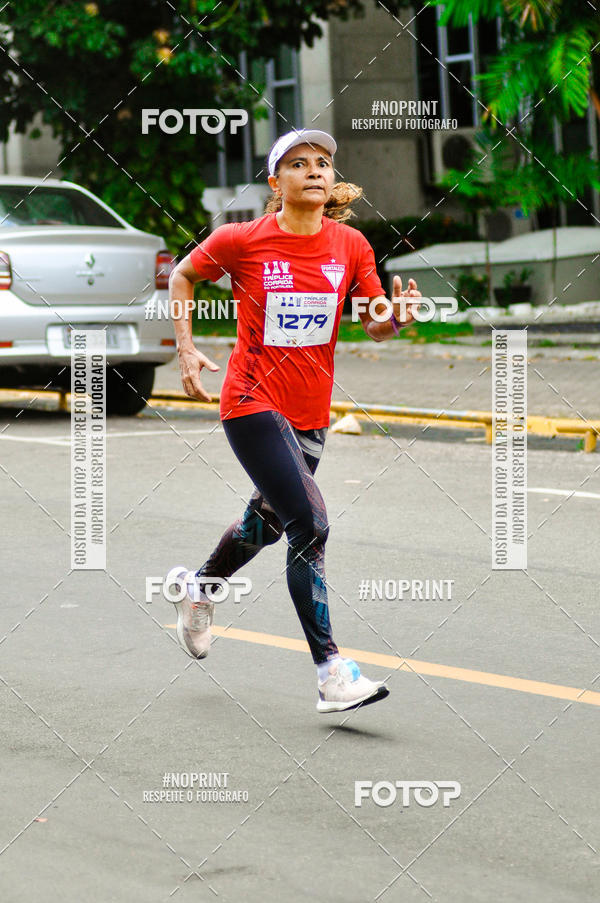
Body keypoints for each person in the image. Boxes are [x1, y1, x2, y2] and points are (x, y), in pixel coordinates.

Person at [167, 128, 421, 713]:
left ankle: (199, 588)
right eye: (299, 163)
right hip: (251, 402)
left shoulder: (351, 245)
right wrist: (186, 347)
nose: (314, 171)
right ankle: (331, 670)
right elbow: (182, 276)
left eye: (324, 163)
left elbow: (374, 320)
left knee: (269, 521)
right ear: (274, 182)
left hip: (310, 413)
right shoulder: (241, 240)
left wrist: (396, 320)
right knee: (310, 521)